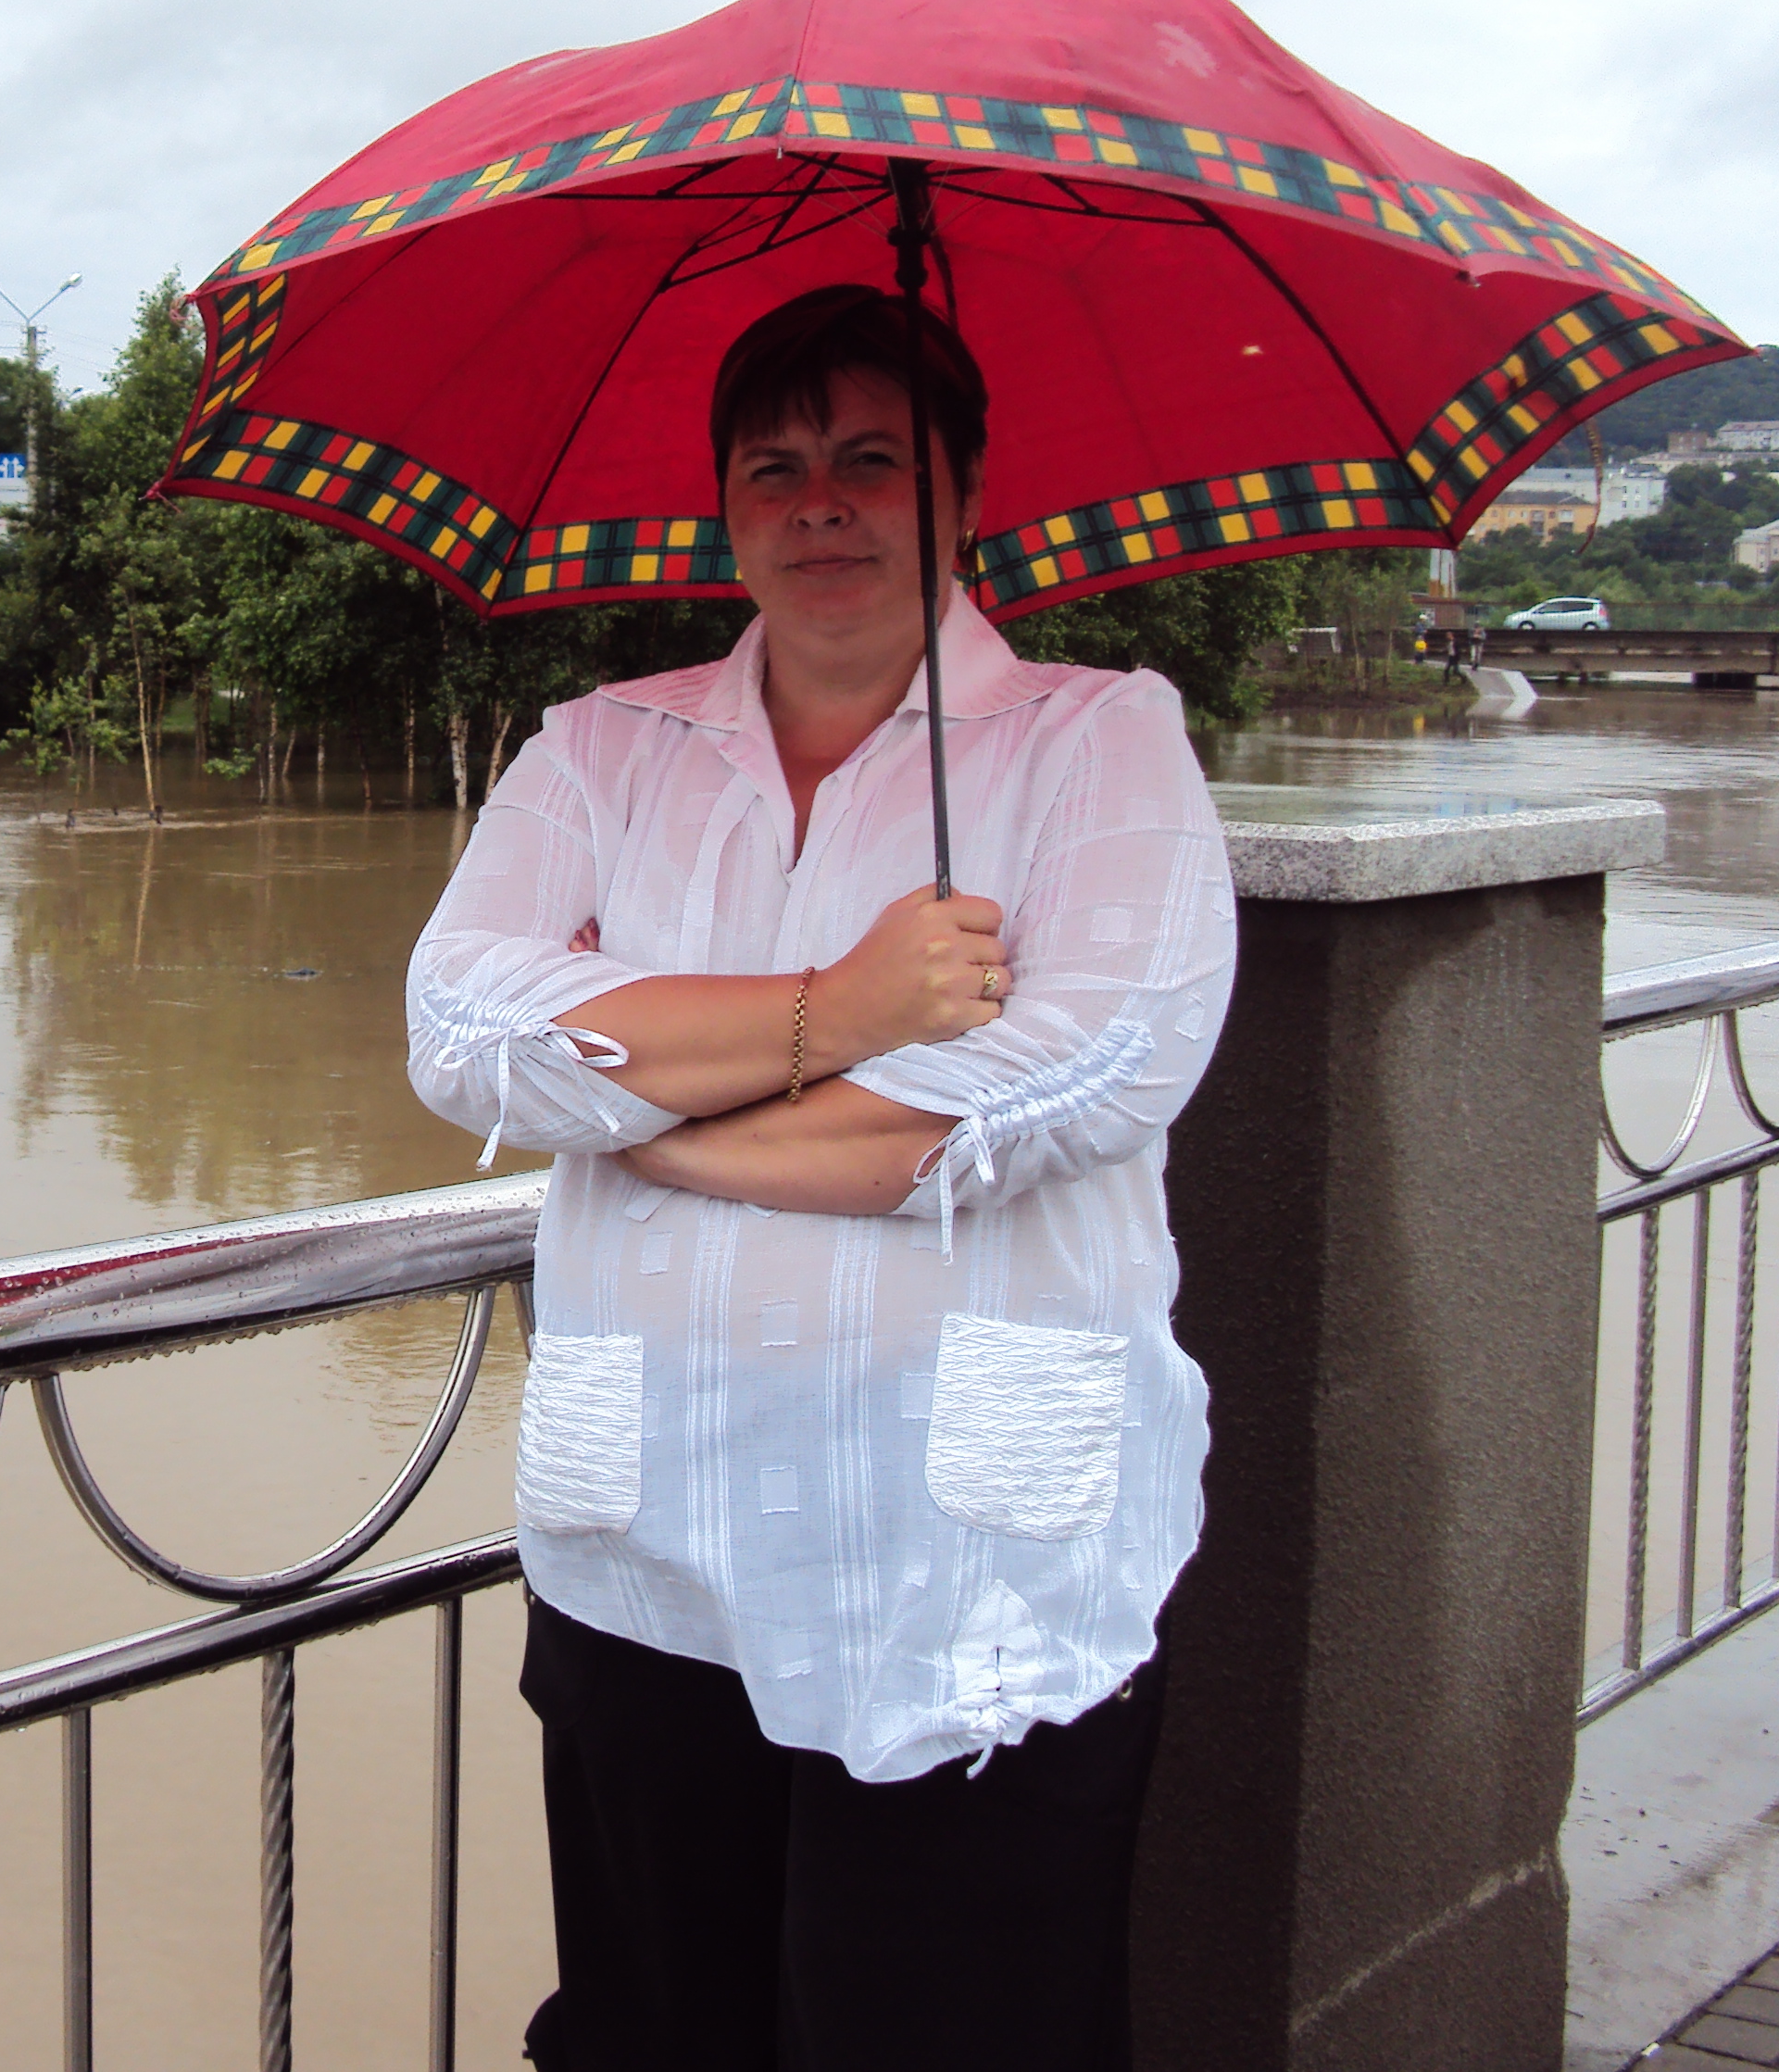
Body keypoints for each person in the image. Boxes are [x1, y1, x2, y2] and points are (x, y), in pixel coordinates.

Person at [406, 284, 1234, 2070]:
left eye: (873, 460)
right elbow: (460, 1031)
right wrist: (843, 1009)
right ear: (725, 510)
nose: (821, 505)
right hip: (649, 1547)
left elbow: (1061, 1089)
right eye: (773, 468)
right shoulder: (602, 747)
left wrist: (637, 1108)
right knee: (656, 2034)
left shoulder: (1100, 738)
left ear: (966, 492)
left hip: (959, 1572)